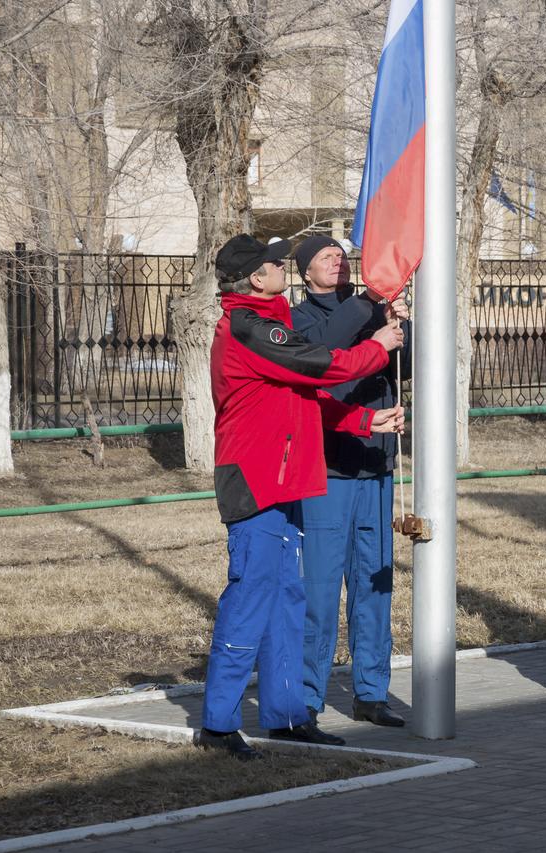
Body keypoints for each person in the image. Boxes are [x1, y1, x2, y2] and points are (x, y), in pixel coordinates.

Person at [199, 234, 406, 760]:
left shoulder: (269, 322)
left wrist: (364, 418)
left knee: (289, 601)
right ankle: (218, 722)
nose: (281, 266)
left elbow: (305, 399)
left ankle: (287, 716)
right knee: (250, 598)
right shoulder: (249, 325)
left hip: (287, 479)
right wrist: (375, 348)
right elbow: (321, 366)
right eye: (274, 261)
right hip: (256, 481)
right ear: (255, 277)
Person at [289, 236, 412, 738]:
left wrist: (402, 324)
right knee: (319, 593)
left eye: (341, 255)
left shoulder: (372, 314)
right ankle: (306, 697)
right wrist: (371, 322)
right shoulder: (299, 322)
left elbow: (410, 366)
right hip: (329, 473)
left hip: (375, 469)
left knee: (373, 586)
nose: (337, 261)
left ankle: (371, 693)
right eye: (324, 257)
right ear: (304, 273)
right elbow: (328, 365)